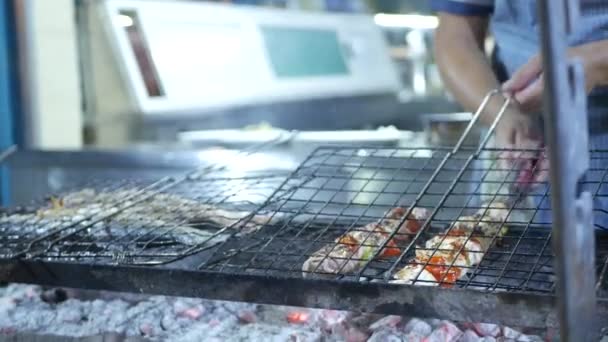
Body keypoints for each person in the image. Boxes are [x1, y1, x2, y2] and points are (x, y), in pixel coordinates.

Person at [430, 0, 608, 228]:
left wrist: (599, 60)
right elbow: (456, 32)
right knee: (487, 249)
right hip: (515, 116)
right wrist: (503, 116)